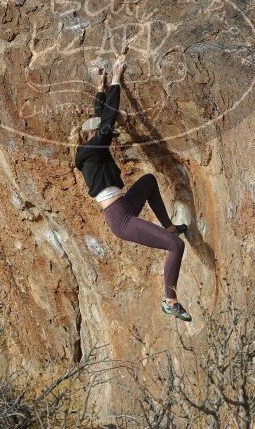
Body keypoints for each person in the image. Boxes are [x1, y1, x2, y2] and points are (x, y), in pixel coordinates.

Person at [70, 57, 192, 322]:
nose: (110, 138)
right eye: (104, 135)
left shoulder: (90, 148)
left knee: (148, 181)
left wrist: (100, 87)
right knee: (175, 246)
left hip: (123, 206)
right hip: (120, 219)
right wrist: (116, 78)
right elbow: (107, 118)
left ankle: (168, 225)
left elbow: (99, 117)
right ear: (91, 136)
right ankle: (169, 300)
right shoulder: (90, 149)